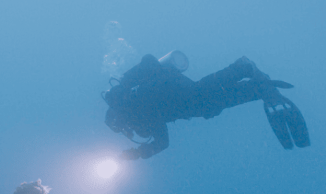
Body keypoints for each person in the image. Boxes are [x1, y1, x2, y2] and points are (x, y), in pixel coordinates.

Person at [103, 51, 310, 160]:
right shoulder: (143, 120)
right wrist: (139, 153)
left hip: (169, 87)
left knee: (199, 94)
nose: (126, 131)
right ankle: (256, 89)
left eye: (120, 127)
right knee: (208, 107)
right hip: (179, 103)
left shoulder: (126, 100)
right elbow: (163, 141)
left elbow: (148, 62)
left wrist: (125, 84)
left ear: (116, 117)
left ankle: (240, 67)